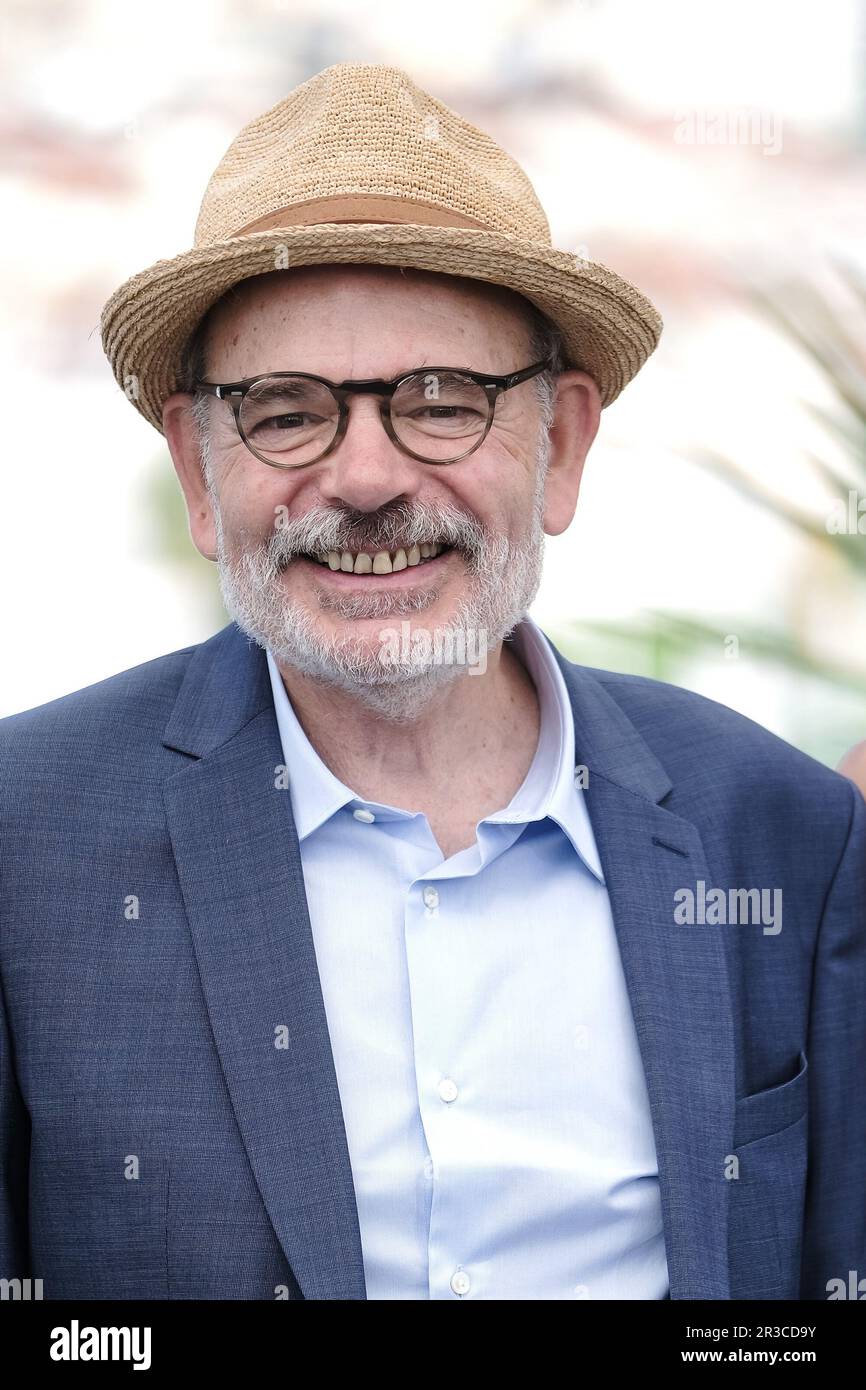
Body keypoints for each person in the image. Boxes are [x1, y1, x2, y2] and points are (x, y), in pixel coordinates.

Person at [1, 62, 863, 1303]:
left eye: (443, 402)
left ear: (559, 447)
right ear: (198, 474)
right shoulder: (24, 833)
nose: (362, 479)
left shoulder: (782, 831)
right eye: (286, 412)